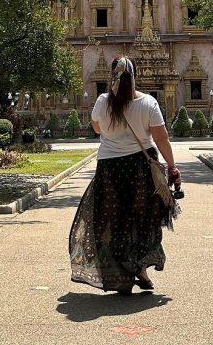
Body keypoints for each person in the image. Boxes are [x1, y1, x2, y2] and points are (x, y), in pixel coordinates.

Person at [69, 56, 181, 295]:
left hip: (110, 168)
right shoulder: (148, 103)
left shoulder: (102, 102)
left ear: (112, 77)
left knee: (113, 219)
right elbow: (161, 137)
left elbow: (97, 128)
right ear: (135, 76)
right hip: (141, 168)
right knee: (142, 217)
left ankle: (120, 274)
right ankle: (141, 269)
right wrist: (172, 167)